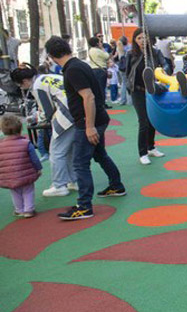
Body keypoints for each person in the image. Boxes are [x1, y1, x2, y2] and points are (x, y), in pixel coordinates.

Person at [45, 35, 126, 221]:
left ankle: (84, 206)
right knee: (99, 154)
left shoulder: (72, 70)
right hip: (96, 118)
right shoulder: (79, 65)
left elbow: (87, 97)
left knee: (81, 163)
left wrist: (89, 127)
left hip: (89, 121)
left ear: (51, 55)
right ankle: (116, 185)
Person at [11, 65, 77, 197]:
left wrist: (36, 118)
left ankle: (59, 185)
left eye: (19, 84)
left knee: (56, 152)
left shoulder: (37, 86)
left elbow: (48, 111)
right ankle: (73, 180)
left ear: (24, 81)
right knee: (68, 150)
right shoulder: (48, 77)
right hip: (76, 111)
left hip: (65, 116)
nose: (20, 87)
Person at [125, 28, 168, 165]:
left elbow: (165, 64)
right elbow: (127, 73)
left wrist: (163, 73)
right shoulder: (131, 54)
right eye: (139, 38)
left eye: (145, 38)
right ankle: (142, 153)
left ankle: (151, 147)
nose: (142, 41)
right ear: (135, 40)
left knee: (152, 120)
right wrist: (129, 86)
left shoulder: (155, 52)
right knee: (143, 121)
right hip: (138, 90)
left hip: (152, 89)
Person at [0, 114, 42, 218]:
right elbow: (34, 159)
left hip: (9, 175)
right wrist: (38, 168)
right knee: (28, 190)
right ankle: (28, 209)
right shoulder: (26, 143)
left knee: (15, 191)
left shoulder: (1, 145)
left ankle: (19, 209)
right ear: (20, 128)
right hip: (25, 172)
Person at [86, 36, 111, 107]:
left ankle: (99, 103)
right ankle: (102, 103)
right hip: (101, 70)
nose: (101, 43)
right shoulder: (98, 50)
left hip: (93, 69)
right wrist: (102, 48)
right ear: (97, 43)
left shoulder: (90, 50)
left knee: (98, 87)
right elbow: (107, 56)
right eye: (99, 42)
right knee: (102, 88)